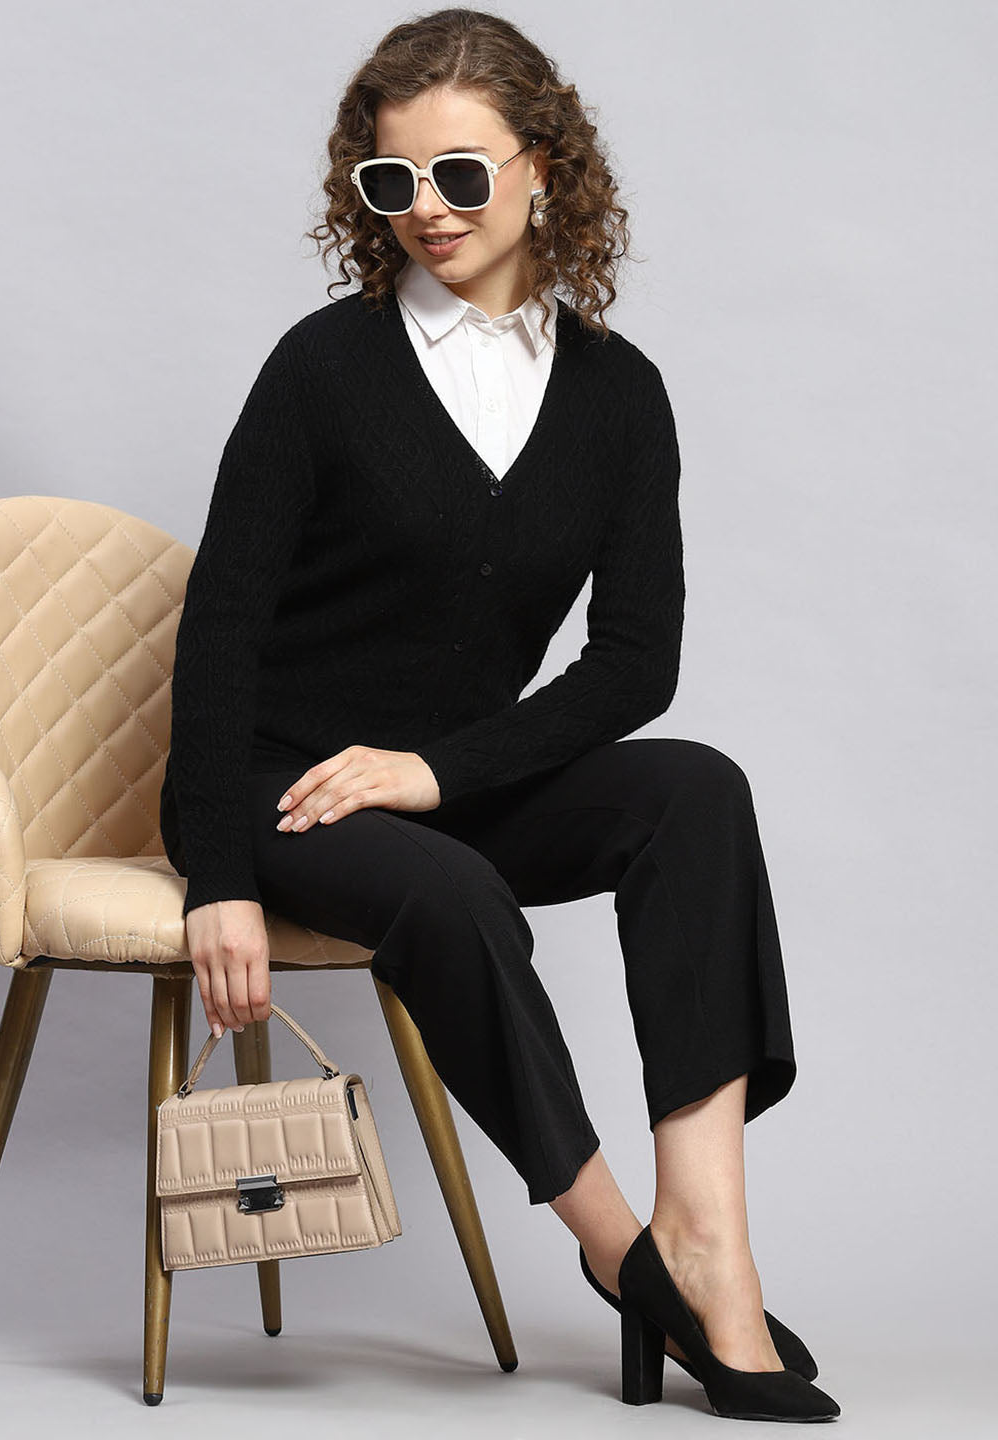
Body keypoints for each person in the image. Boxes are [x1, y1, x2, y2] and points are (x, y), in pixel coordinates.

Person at [158, 7, 840, 1423]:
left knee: (696, 789)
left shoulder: (620, 395)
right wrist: (217, 875)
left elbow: (635, 662)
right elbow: (218, 632)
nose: (428, 209)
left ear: (544, 168)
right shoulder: (321, 369)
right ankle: (623, 1253)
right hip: (289, 789)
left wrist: (433, 769)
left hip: (442, 779)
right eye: (390, 180)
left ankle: (707, 1231)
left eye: (461, 173)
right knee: (453, 891)